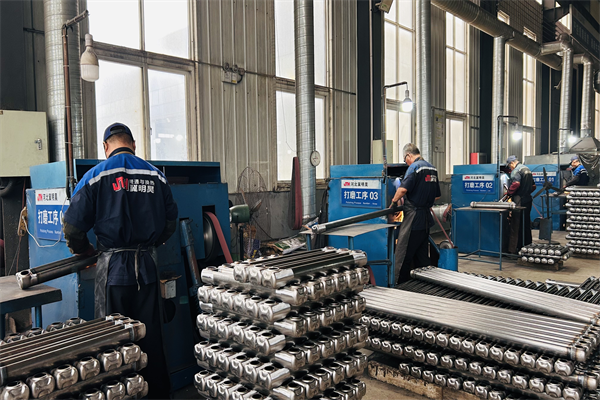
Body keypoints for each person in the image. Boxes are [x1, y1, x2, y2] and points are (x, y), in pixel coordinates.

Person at [63, 122, 178, 399]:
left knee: (111, 343)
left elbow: (72, 227)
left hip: (112, 271)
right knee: (150, 338)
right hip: (147, 268)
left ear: (106, 147)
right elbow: (170, 223)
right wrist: (150, 244)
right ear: (133, 144)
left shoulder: (95, 176)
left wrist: (84, 250)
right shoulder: (156, 176)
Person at [390, 143, 441, 284]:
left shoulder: (414, 167)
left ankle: (401, 284)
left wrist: (393, 203)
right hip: (426, 220)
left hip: (413, 219)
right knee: (422, 255)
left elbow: (402, 190)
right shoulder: (432, 168)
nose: (406, 163)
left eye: (405, 160)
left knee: (403, 255)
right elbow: (437, 196)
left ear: (408, 155)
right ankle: (424, 283)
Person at [505, 155, 535, 254]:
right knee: (526, 223)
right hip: (528, 199)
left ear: (512, 163)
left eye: (509, 166)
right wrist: (526, 192)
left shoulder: (516, 170)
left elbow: (516, 184)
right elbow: (533, 186)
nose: (510, 168)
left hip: (519, 200)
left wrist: (509, 193)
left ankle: (516, 248)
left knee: (516, 224)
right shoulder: (527, 169)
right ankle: (528, 245)